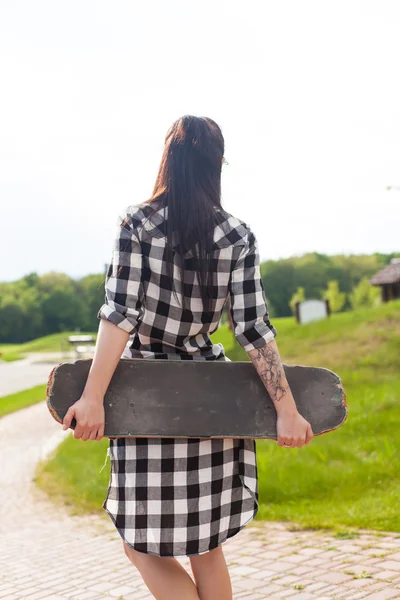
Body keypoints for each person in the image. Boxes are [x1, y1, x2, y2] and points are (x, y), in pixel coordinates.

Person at [62, 115, 314, 600]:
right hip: (210, 399)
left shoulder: (136, 223)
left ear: (168, 161)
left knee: (141, 545)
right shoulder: (237, 235)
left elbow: (120, 316)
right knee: (206, 547)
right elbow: (253, 329)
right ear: (215, 166)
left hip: (145, 400)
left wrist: (94, 398)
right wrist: (286, 409)